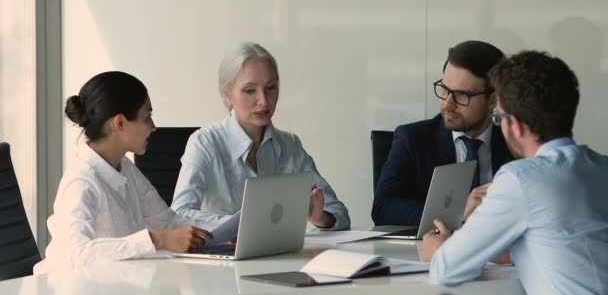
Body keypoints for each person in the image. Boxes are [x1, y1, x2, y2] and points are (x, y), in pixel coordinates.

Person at [421, 51, 608, 295]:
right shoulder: (601, 167)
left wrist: (439, 249)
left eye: (499, 118)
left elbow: (445, 270)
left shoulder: (521, 179)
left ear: (516, 125)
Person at [34, 71, 212, 274]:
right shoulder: (81, 181)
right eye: (147, 117)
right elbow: (78, 255)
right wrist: (157, 240)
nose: (153, 127)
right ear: (119, 123)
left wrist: (224, 232)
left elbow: (167, 221)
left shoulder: (125, 168)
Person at [171, 42, 350, 231]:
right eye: (250, 90)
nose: (264, 101)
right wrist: (242, 225)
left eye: (271, 88)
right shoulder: (205, 143)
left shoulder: (290, 145)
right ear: (227, 94)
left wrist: (320, 217)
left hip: (279, 256)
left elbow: (340, 214)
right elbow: (180, 213)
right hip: (223, 257)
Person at [372, 40, 513, 226]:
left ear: (493, 100)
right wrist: (455, 213)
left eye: (462, 95)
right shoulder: (413, 139)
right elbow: (383, 208)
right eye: (445, 89)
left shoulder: (515, 140)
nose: (447, 103)